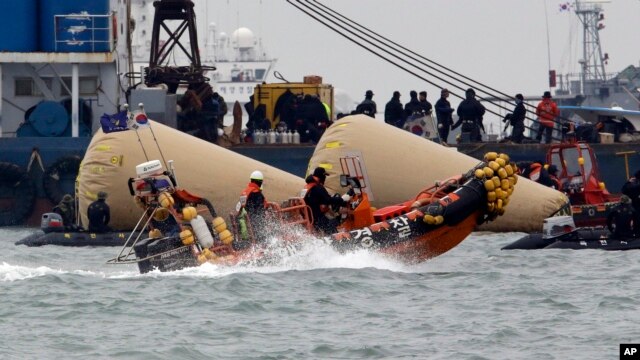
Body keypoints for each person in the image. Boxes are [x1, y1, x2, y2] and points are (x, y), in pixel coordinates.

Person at [303, 167, 347, 234]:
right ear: (322, 176)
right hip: (317, 218)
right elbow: (328, 200)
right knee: (335, 222)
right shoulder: (318, 187)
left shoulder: (308, 186)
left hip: (310, 217)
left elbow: (319, 199)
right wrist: (341, 200)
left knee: (331, 217)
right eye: (324, 176)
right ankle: (337, 238)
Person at [237, 170, 268, 243]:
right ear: (260, 182)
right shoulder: (257, 194)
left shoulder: (244, 192)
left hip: (246, 225)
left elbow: (240, 208)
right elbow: (259, 212)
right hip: (255, 228)